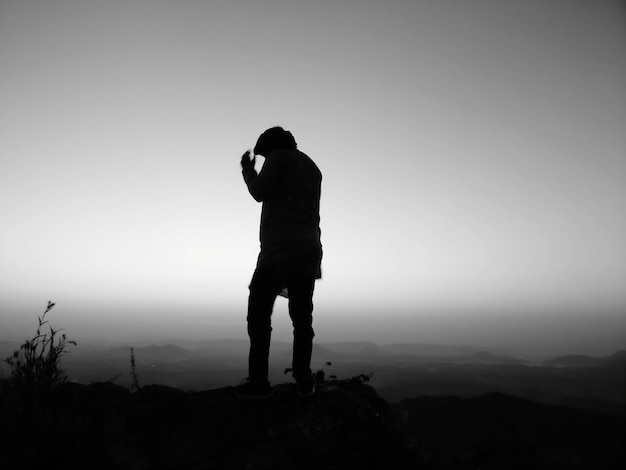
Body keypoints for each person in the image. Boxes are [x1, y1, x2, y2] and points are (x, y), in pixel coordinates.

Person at [236, 126, 322, 399]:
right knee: (302, 317)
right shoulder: (312, 166)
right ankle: (303, 378)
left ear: (270, 148)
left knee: (259, 313)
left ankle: (259, 381)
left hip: (280, 248)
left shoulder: (280, 158)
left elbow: (260, 192)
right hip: (308, 248)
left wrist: (248, 170)